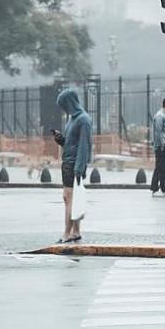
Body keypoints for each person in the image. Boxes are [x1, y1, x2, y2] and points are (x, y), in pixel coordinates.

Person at [52, 89, 93, 243]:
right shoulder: (72, 119)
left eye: (64, 105)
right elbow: (71, 142)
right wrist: (60, 139)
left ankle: (67, 233)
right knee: (72, 199)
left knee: (68, 198)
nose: (63, 108)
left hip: (74, 164)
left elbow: (84, 146)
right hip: (68, 162)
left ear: (70, 103)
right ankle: (75, 231)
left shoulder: (83, 120)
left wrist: (79, 169)